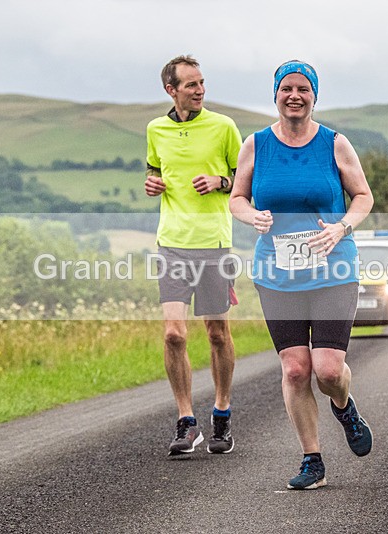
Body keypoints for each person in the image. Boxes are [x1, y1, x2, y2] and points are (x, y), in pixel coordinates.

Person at [229, 60, 375, 489]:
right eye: (286, 88)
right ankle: (313, 459)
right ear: (275, 94)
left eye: (303, 89)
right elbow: (236, 197)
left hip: (334, 268)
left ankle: (344, 407)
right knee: (295, 370)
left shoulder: (335, 143)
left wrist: (341, 227)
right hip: (276, 272)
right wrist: (251, 215)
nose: (294, 96)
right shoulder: (255, 144)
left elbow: (363, 195)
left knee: (328, 371)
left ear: (314, 96)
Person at [145, 55, 242, 456]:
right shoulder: (156, 129)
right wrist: (153, 184)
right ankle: (187, 421)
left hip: (214, 244)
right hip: (171, 242)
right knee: (173, 333)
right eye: (191, 85)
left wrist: (221, 180)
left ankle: (221, 413)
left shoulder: (224, 127)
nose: (200, 90)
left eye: (202, 83)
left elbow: (247, 182)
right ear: (171, 90)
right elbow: (154, 170)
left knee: (217, 333)